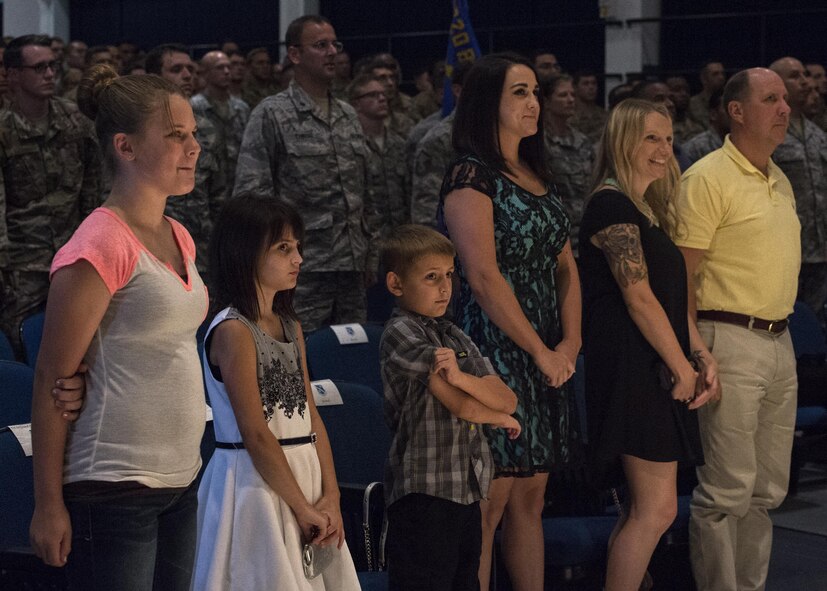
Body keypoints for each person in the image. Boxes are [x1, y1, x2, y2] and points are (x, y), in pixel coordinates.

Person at [29, 65, 207, 589]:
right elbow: (49, 380)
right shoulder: (100, 242)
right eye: (176, 136)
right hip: (113, 482)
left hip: (180, 478)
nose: (193, 147)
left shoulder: (179, 232)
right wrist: (48, 506)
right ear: (125, 147)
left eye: (194, 134)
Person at [439, 52, 581, 591]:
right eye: (519, 92)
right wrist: (541, 351)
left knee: (532, 498)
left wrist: (569, 341)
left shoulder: (538, 173)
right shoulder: (470, 174)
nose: (534, 102)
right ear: (487, 103)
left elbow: (566, 266)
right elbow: (481, 275)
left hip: (546, 352)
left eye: (535, 92)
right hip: (493, 350)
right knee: (490, 501)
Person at [578, 98, 716, 591]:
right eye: (650, 138)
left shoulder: (645, 210)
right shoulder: (609, 205)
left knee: (647, 509)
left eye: (668, 138)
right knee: (656, 509)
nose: (664, 150)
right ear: (622, 140)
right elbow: (637, 297)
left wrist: (698, 354)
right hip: (634, 370)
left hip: (657, 363)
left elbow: (671, 299)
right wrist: (680, 364)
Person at [192, 195, 360, 590]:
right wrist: (301, 507)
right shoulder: (233, 330)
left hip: (305, 473)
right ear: (245, 253)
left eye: (298, 247)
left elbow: (311, 416)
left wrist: (330, 495)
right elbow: (255, 432)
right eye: (284, 248)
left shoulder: (289, 325)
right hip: (255, 482)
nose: (298, 258)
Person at [674, 68, 800, 591]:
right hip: (728, 338)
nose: (785, 108)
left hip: (779, 338)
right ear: (737, 111)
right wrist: (696, 349)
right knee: (727, 491)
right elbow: (681, 275)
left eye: (786, 99)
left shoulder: (780, 176)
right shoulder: (706, 177)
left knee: (767, 490)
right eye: (771, 99)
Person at [380, 224, 520, 591]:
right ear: (396, 285)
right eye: (431, 277)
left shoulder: (453, 336)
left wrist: (461, 378)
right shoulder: (400, 332)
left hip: (465, 488)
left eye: (449, 275)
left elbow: (506, 397)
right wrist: (496, 414)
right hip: (424, 492)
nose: (445, 287)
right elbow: (465, 408)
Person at [235, 15, 376, 333]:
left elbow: (364, 189)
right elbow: (252, 197)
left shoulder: (348, 115)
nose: (332, 52)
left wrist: (369, 254)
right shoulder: (271, 113)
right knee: (302, 360)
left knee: (350, 357)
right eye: (320, 45)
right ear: (295, 55)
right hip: (301, 269)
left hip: (351, 269)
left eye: (335, 45)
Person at [1, 35, 101, 356]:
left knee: (82, 348)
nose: (49, 74)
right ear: (13, 75)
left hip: (75, 258)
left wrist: (95, 248)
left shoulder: (75, 121)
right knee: (25, 349)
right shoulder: (4, 130)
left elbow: (93, 190)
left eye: (52, 66)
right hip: (21, 267)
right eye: (39, 67)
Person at [770, 56, 827, 325]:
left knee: (813, 326)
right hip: (784, 246)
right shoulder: (768, 133)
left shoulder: (818, 134)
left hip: (820, 247)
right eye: (795, 76)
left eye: (805, 74)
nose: (805, 82)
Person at [541, 74, 595, 256]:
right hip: (553, 232)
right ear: (546, 102)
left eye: (572, 95)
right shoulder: (538, 143)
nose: (571, 100)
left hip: (586, 230)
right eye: (563, 95)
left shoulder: (583, 141)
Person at [191, 50, 251, 198]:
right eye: (219, 68)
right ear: (205, 73)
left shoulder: (241, 108)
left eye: (228, 67)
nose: (226, 72)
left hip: (237, 184)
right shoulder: (195, 107)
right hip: (206, 185)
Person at [689, 61, 726, 129]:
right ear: (704, 78)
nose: (721, 77)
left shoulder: (728, 101)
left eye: (722, 74)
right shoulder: (692, 104)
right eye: (715, 74)